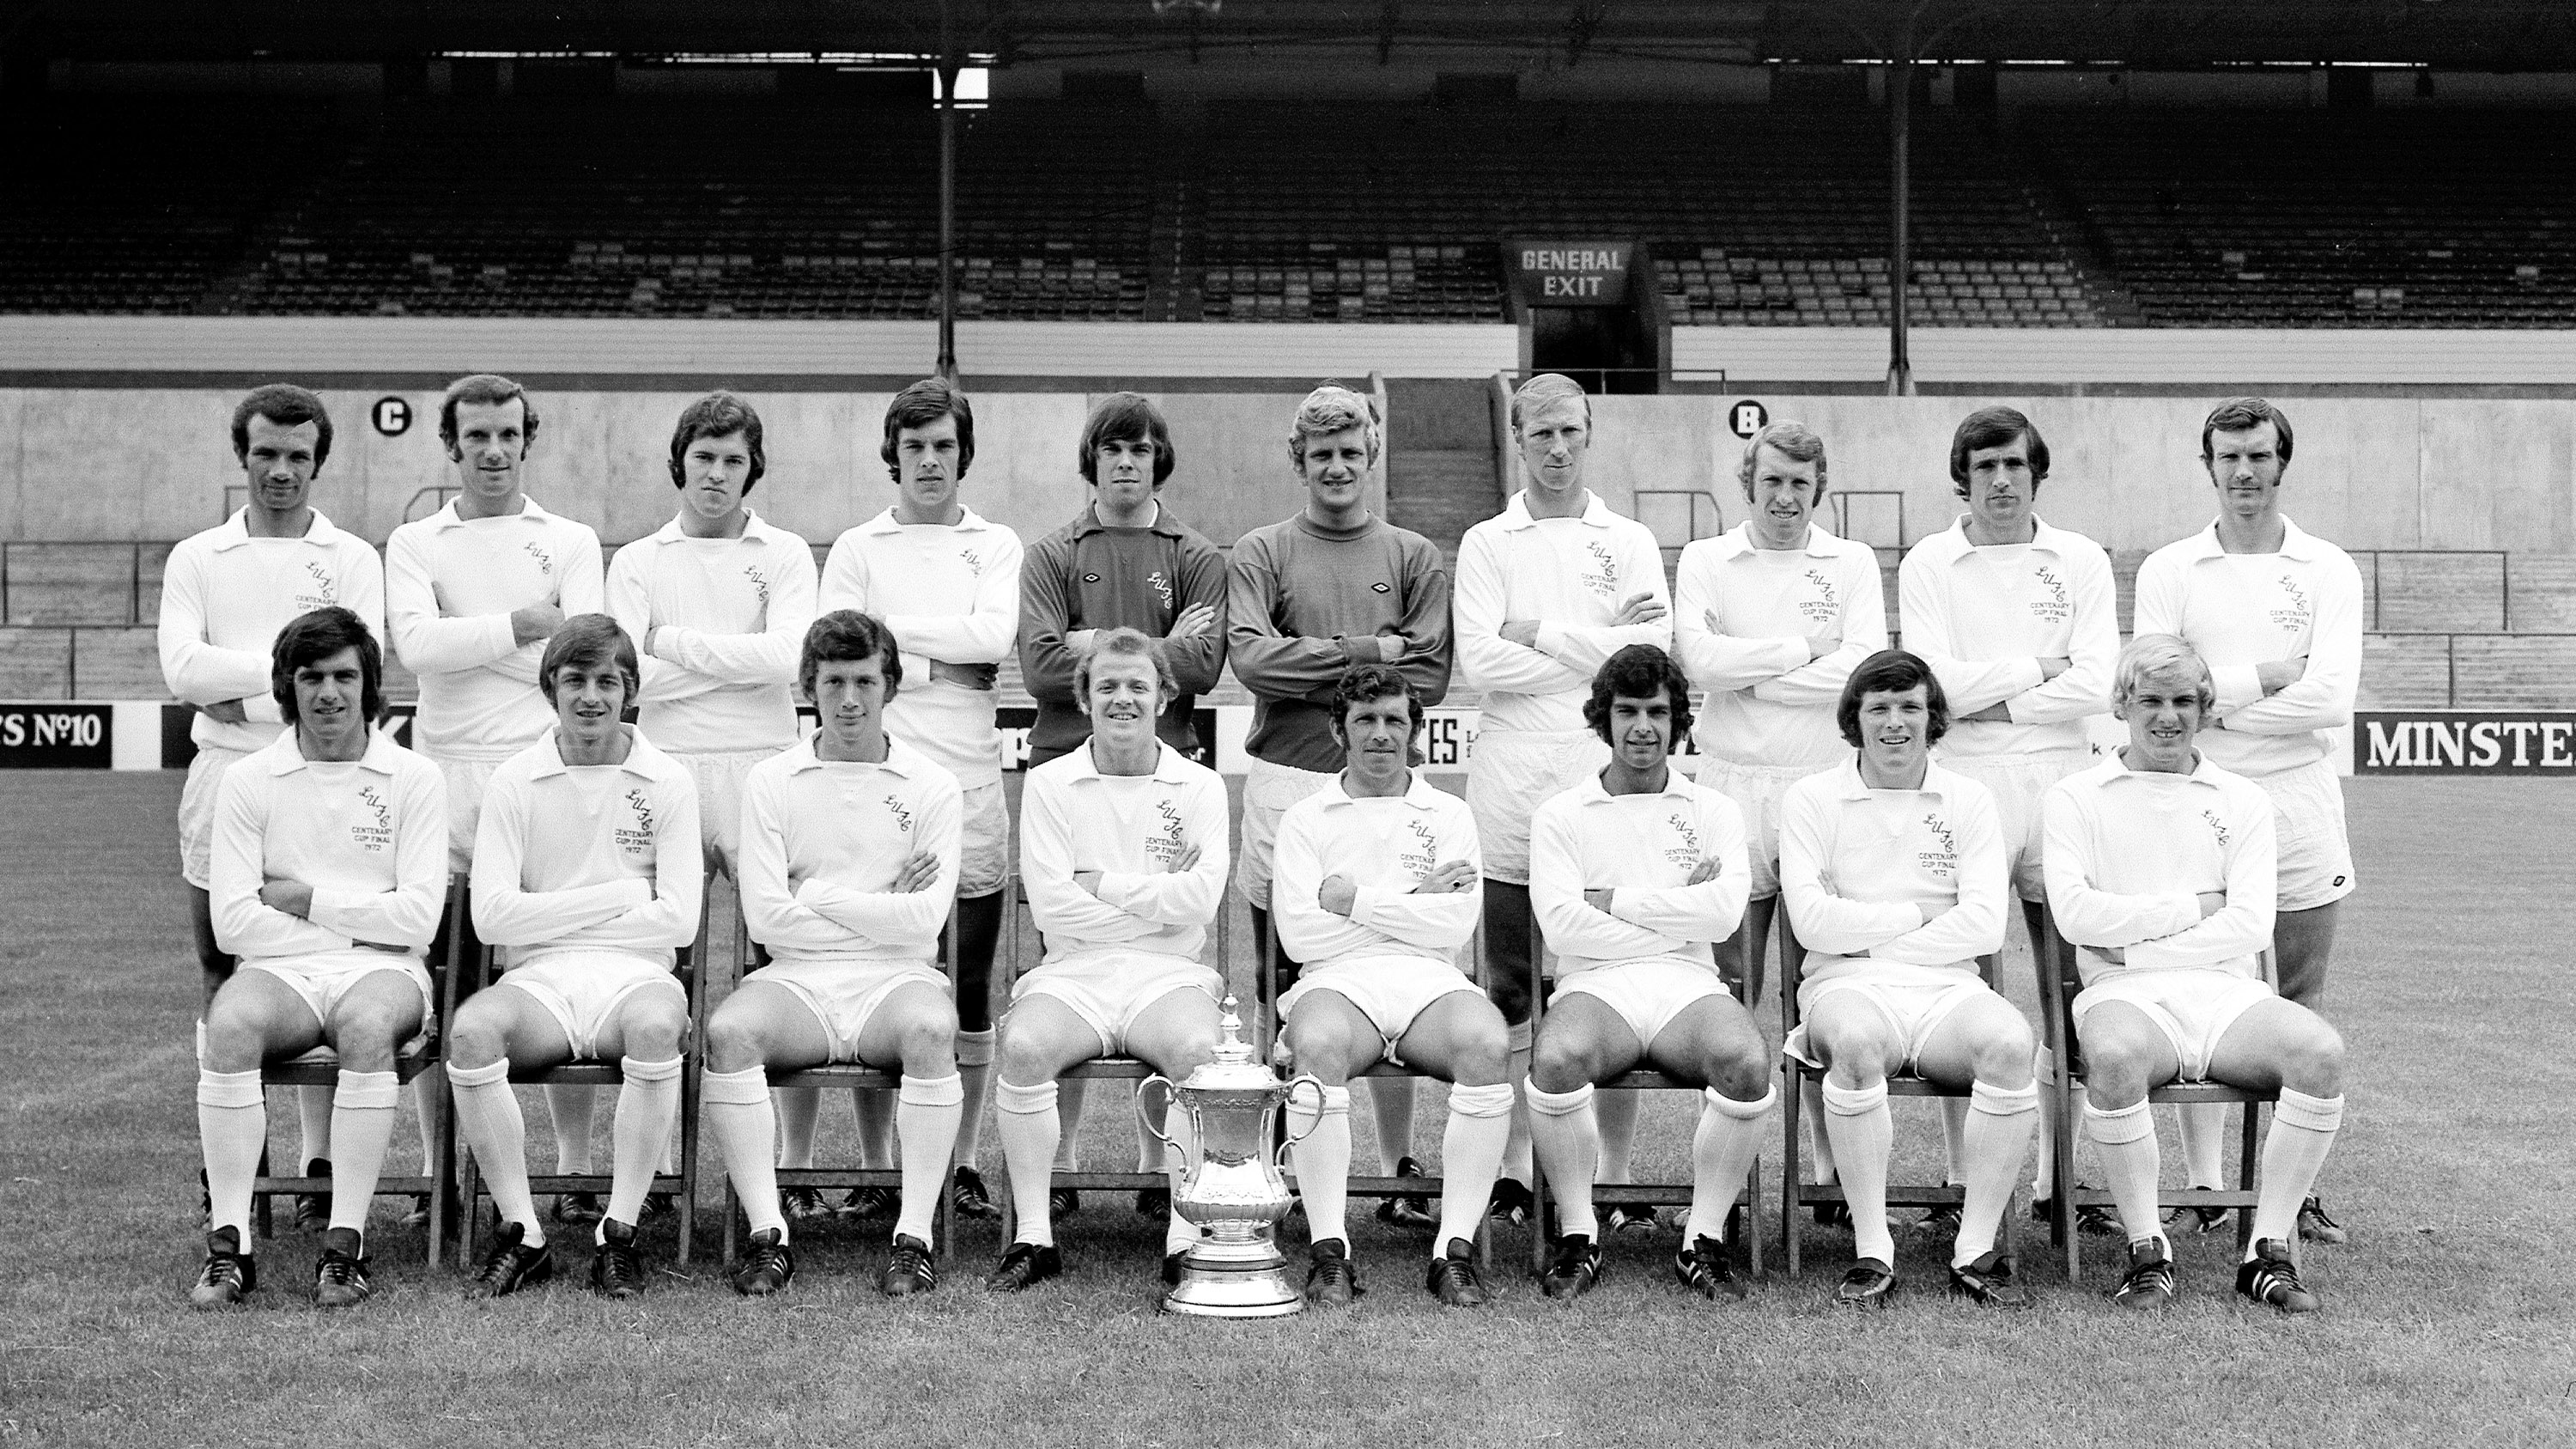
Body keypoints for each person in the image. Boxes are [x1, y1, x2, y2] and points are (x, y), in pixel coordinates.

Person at [2043, 635, 2347, 1313]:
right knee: (2114, 1057)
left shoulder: (2243, 798)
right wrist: (2194, 908)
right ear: (2121, 704)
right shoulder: (2075, 796)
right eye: (2150, 699)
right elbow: (2077, 916)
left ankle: (2266, 1250)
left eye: (2184, 700)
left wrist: (2136, 947)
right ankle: (2148, 1248)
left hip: (2226, 993)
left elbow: (2250, 925)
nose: (2167, 716)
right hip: (2121, 995)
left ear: (2206, 707)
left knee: (2321, 1053)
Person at [2131, 397, 2362, 1247]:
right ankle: (2202, 1186)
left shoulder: (2328, 568)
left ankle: (2289, 1196)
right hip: (2203, 795)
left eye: (2259, 455)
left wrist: (2214, 703)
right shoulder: (2171, 568)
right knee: (2198, 985)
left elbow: (2330, 698)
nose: (2244, 471)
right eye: (2229, 456)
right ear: (2209, 465)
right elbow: (2157, 684)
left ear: (2281, 462)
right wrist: (2266, 677)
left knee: (2299, 995)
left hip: (2300, 799)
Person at [386, 374, 611, 1227]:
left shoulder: (570, 538)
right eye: (476, 435)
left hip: (544, 781)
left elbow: (581, 657)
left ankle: (576, 1168)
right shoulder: (416, 541)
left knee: (555, 974)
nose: (492, 450)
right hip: (444, 784)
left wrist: (470, 638)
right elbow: (417, 648)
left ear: (526, 441)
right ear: (451, 445)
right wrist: (522, 624)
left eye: (507, 434)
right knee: (444, 986)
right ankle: (443, 1177)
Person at [1228, 381, 1454, 1232]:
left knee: (1395, 959)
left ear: (1372, 456)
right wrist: (1369, 651)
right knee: (1281, 976)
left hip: (1388, 796)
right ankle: (1281, 1161)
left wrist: (1317, 658)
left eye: (1350, 451)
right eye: (1320, 453)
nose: (1336, 466)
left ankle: (1396, 1165)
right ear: (1300, 461)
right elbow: (1254, 662)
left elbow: (1427, 675)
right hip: (1288, 780)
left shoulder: (1413, 554)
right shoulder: (1262, 550)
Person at [161, 384, 386, 1230]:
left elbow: (356, 670)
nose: (281, 470)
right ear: (242, 455)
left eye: (298, 455)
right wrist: (289, 673)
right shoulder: (198, 557)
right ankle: (235, 1160)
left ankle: (318, 1158)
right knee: (223, 964)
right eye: (266, 453)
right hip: (223, 776)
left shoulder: (351, 557)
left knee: (329, 957)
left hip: (324, 778)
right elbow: (183, 670)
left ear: (318, 461)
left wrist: (243, 689)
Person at [1451, 371, 1670, 1227]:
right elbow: (1480, 662)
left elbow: (1648, 658)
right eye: (1540, 432)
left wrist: (1538, 631)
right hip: (1509, 775)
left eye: (1570, 430)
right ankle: (1513, 1167)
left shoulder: (1631, 539)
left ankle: (1612, 1172)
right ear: (1517, 437)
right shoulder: (1486, 542)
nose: (1557, 446)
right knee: (1510, 981)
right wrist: (1600, 649)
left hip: (1600, 775)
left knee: (1608, 975)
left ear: (1590, 432)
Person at [1895, 406, 2119, 1238]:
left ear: (2036, 472)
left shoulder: (2080, 558)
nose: (2000, 480)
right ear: (1963, 477)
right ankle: (1966, 1177)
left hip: (2062, 775)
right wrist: (2037, 669)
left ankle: (2058, 1179)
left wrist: (1996, 698)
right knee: (1968, 981)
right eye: (1984, 466)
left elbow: (2095, 680)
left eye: (2014, 464)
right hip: (1966, 778)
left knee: (2068, 983)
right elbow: (1936, 685)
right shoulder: (1930, 561)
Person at [190, 607, 446, 1309]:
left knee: (367, 1025)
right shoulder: (248, 779)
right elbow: (233, 923)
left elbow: (418, 920)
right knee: (228, 1025)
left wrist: (306, 899)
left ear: (369, 684)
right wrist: (362, 924)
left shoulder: (415, 777)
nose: (329, 692)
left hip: (387, 973)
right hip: (284, 973)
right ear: (287, 686)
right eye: (311, 677)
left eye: (344, 676)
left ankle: (344, 1244)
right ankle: (230, 1245)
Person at [704, 612, 965, 1298]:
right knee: (729, 1032)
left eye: (865, 682)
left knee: (932, 1029)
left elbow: (924, 921)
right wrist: (882, 907)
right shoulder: (772, 780)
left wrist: (815, 894)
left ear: (890, 686)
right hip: (797, 978)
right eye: (833, 683)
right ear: (808, 688)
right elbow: (766, 919)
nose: (849, 700)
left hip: (897, 977)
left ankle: (913, 1238)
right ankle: (768, 1234)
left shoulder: (932, 783)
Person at [445, 616, 702, 1300]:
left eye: (607, 681)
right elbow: (490, 915)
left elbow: (680, 918)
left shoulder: (668, 780)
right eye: (575, 680)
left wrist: (551, 909)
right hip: (538, 978)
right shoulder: (513, 780)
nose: (591, 696)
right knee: (471, 1033)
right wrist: (620, 895)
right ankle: (524, 1233)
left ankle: (618, 1233)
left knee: (656, 1028)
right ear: (549, 688)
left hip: (638, 974)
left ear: (631, 690)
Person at [1015, 392, 1226, 1215]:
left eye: (1140, 449)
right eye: (1112, 449)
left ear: (1158, 460)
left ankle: (1153, 1169)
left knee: (1165, 957)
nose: (1127, 462)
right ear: (1093, 460)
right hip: (1068, 766)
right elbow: (1040, 667)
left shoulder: (1195, 552)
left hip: (1166, 769)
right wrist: (1150, 645)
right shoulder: (1052, 551)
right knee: (1068, 956)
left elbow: (1203, 666)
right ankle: (1060, 1167)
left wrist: (1090, 641)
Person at [1672, 417, 1886, 1229]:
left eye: (1800, 483)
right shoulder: (1707, 558)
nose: (1786, 497)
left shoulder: (1852, 562)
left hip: (1821, 789)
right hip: (1730, 786)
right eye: (1772, 482)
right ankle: (1722, 1189)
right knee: (1730, 987)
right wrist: (1804, 650)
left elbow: (1860, 672)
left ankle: (1831, 1178)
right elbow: (1700, 661)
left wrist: (1752, 667)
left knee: (1821, 986)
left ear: (1818, 488)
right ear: (1748, 484)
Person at [818, 378, 1023, 1225]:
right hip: (875, 784)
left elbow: (994, 637)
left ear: (962, 454)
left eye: (943, 445)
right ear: (893, 454)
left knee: (967, 980)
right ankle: (877, 1167)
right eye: (914, 446)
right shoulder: (858, 545)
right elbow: (839, 641)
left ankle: (962, 1161)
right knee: (879, 974)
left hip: (970, 782)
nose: (929, 460)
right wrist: (944, 660)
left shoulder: (995, 543)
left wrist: (893, 644)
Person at [1777, 650, 2038, 1307]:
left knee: (2012, 1045)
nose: (1895, 722)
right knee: (1855, 1046)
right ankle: (1873, 1246)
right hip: (1844, 984)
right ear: (1854, 719)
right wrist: (1917, 913)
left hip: (1949, 989)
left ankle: (1974, 1248)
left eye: (1910, 707)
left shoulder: (1970, 798)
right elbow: (1811, 923)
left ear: (1933, 717)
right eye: (1879, 708)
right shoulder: (1811, 798)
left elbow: (1984, 926)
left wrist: (1865, 929)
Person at [1524, 645, 1776, 1303]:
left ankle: (1703, 1236)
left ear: (1678, 720)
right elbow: (1564, 929)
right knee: (1555, 1059)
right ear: (1602, 718)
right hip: (1593, 982)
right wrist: (1677, 907)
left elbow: (1722, 917)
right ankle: (1578, 1231)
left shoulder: (1713, 810)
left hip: (1685, 981)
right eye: (1627, 711)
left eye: (1658, 712)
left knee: (1747, 1062)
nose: (1643, 727)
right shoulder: (1562, 814)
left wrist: (1617, 900)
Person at [986, 629, 1226, 1294]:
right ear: (1085, 698)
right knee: (1024, 1047)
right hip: (1073, 972)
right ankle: (1034, 1234)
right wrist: (1159, 897)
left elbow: (1201, 900)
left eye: (1138, 686)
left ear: (1164, 697)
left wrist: (1103, 884)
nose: (1123, 698)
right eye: (1108, 686)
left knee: (1201, 1050)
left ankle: (1185, 1234)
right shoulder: (1050, 783)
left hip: (1170, 973)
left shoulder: (1200, 786)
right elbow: (1052, 910)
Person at [1272, 664, 1506, 1308]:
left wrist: (1353, 900)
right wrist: (1415, 899)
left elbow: (1454, 924)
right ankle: (1330, 1251)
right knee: (1316, 1042)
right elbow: (1300, 936)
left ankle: (1453, 1252)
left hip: (1430, 979)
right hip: (1336, 980)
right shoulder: (1306, 818)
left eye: (1394, 720)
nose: (1381, 733)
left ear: (1414, 730)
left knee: (1487, 1043)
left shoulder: (1449, 813)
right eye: (1365, 720)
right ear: (1338, 730)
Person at [606, 390, 815, 882]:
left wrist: (670, 642)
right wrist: (745, 667)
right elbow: (630, 679)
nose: (717, 473)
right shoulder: (636, 560)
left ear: (752, 468)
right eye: (704, 457)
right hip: (665, 761)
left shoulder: (786, 552)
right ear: (680, 462)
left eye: (732, 461)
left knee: (770, 920)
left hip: (764, 758)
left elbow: (788, 661)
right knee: (666, 924)